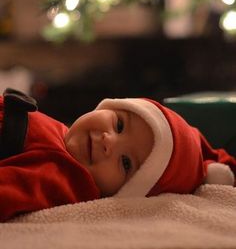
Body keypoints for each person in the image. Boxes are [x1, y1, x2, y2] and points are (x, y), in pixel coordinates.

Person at [0, 89, 235, 222]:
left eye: (125, 163)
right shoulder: (62, 133)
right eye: (119, 125)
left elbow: (10, 191)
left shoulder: (67, 177)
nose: (108, 141)